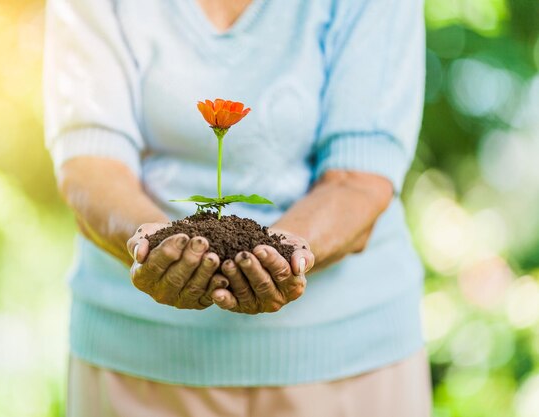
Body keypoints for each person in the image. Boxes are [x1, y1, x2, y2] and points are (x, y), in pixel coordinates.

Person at [44, 0, 432, 415]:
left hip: (348, 360)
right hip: (136, 362)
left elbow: (358, 176)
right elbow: (91, 162)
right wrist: (156, 243)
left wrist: (284, 253)